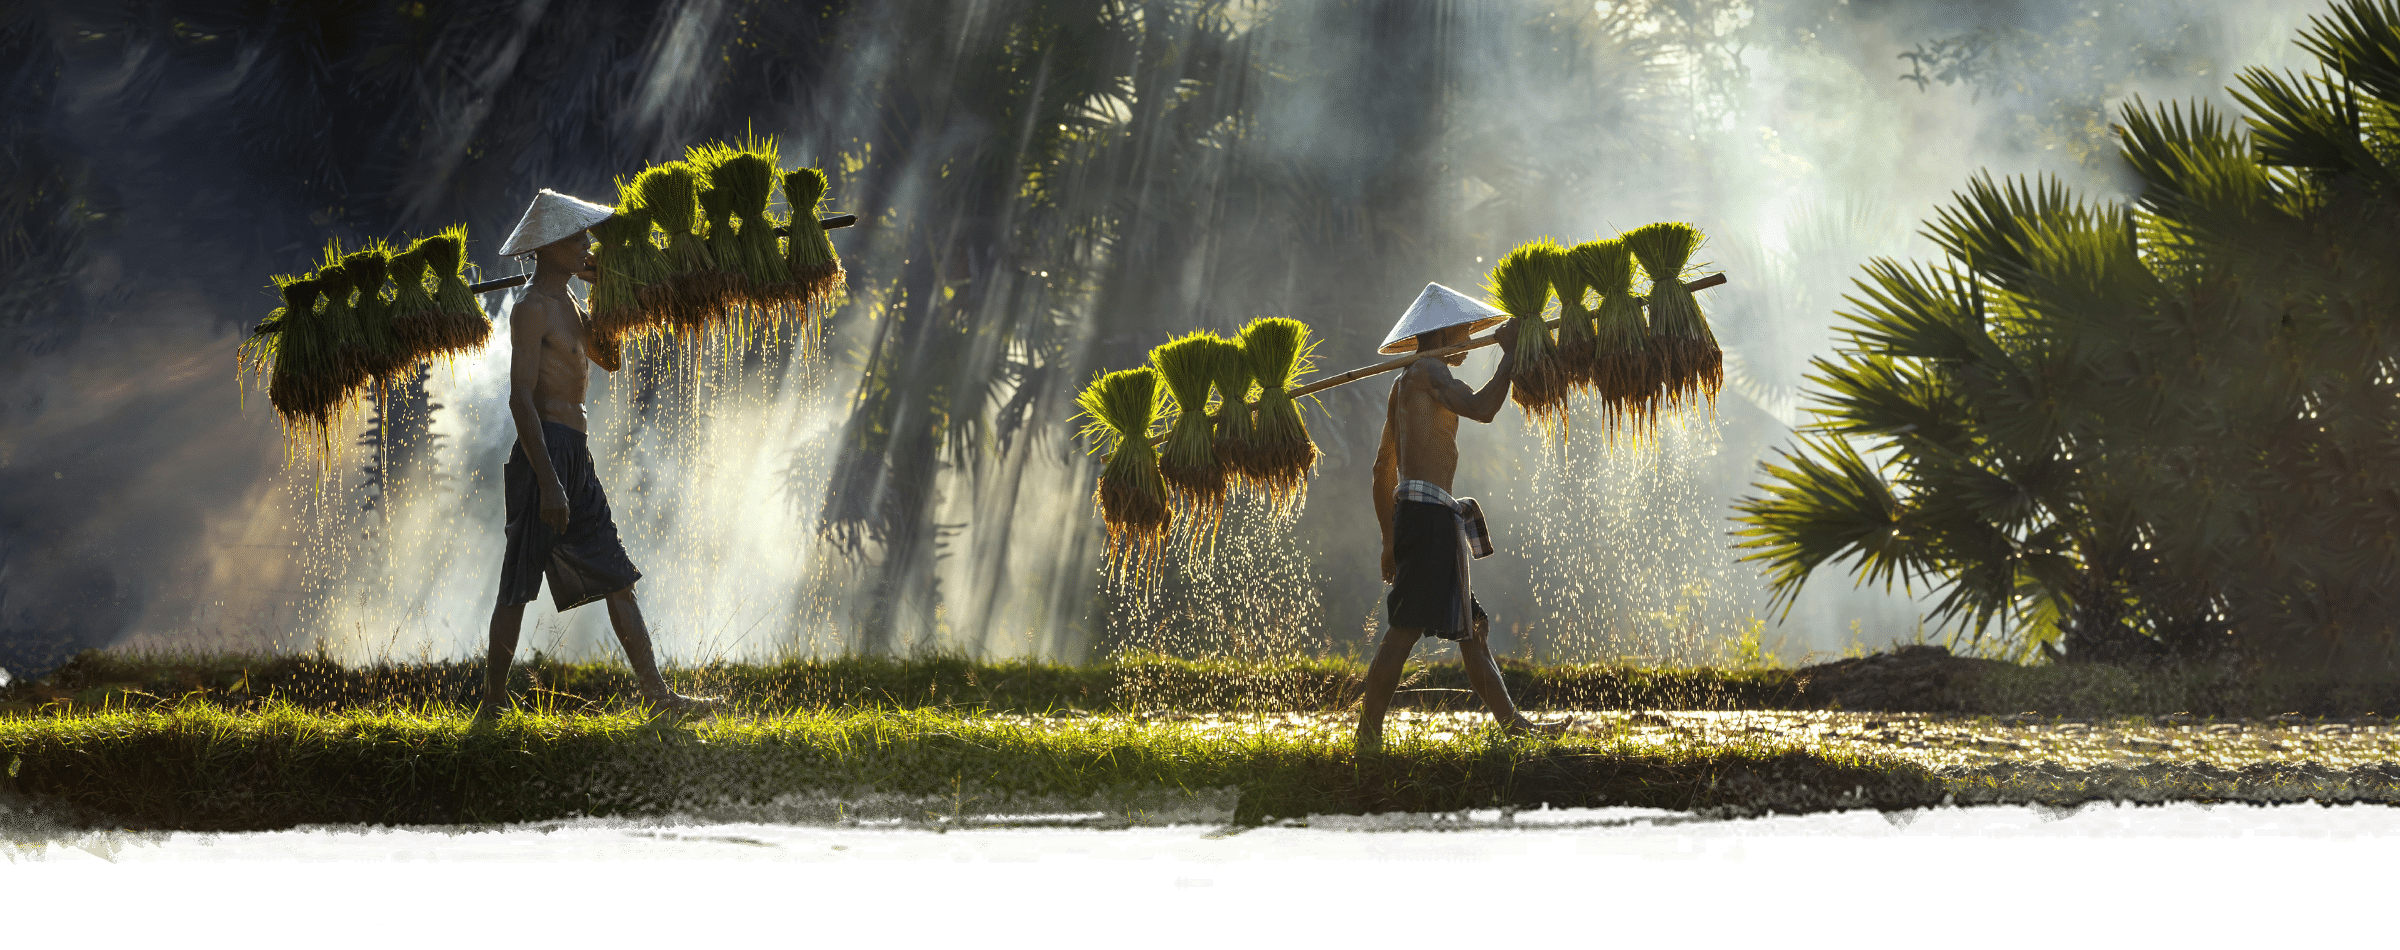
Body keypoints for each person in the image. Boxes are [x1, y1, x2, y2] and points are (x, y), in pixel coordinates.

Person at [477, 189, 720, 720]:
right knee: (517, 585)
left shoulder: (569, 305)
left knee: (618, 577)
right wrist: (549, 482)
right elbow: (520, 399)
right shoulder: (530, 311)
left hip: (576, 456)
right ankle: (492, 705)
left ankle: (658, 698)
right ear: (550, 246)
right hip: (543, 456)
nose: (588, 242)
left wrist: (609, 290)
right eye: (578, 236)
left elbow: (606, 357)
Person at [1356, 283, 1579, 755]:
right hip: (1430, 518)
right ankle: (1367, 738)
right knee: (1405, 630)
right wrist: (1510, 356)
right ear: (1444, 332)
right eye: (1463, 328)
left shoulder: (1403, 385)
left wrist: (1389, 540)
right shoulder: (1430, 373)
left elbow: (1382, 468)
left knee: (1471, 630)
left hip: (1423, 517)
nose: (1468, 334)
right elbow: (1483, 408)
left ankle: (1514, 727)